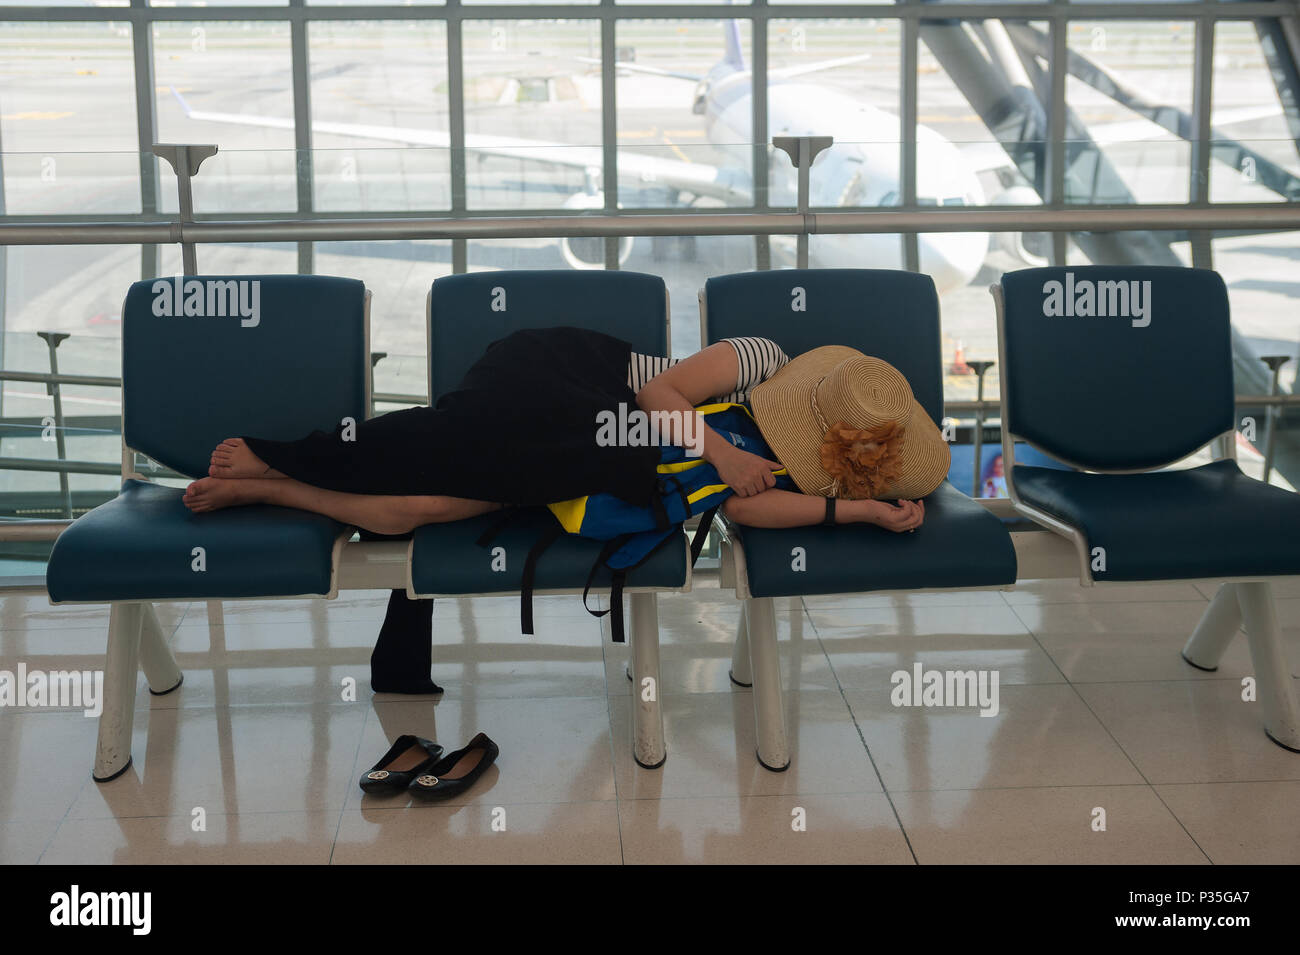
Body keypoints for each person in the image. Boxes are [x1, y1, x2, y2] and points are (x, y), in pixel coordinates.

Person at [182, 328, 948, 688]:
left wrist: (862, 514)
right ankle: (285, 451)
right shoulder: (763, 359)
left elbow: (749, 515)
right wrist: (725, 452)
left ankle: (277, 484)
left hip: (601, 460)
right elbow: (657, 394)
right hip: (575, 383)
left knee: (421, 502)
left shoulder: (819, 465)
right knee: (465, 444)